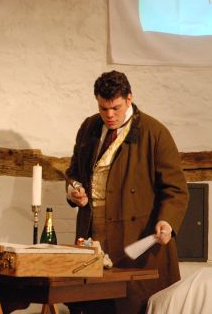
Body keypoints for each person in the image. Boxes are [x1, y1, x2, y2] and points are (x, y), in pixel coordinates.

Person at [65, 70, 189, 314]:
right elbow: (74, 172)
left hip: (135, 239)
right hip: (93, 240)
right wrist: (74, 189)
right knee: (92, 306)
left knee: (131, 306)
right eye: (103, 108)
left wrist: (167, 220)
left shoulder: (154, 133)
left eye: (116, 108)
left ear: (129, 99)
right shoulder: (89, 127)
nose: (109, 115)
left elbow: (176, 188)